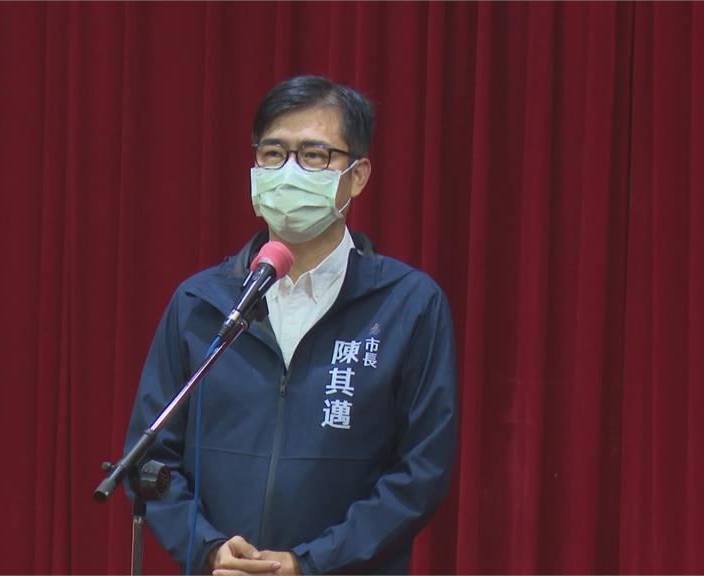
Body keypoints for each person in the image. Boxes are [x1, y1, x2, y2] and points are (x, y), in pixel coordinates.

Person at [124, 75, 457, 575]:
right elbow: (151, 457)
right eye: (273, 154)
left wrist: (308, 564)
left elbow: (421, 471)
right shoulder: (202, 303)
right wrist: (209, 548)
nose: (289, 172)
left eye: (315, 156)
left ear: (358, 175)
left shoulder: (407, 305)